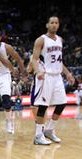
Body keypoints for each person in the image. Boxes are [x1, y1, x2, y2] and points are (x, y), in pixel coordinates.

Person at [29, 16, 75, 146]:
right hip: (46, 76)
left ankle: (49, 130)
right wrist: (38, 71)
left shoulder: (60, 40)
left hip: (57, 76)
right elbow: (34, 58)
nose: (54, 25)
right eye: (52, 23)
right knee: (43, 106)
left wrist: (68, 74)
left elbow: (60, 61)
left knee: (62, 104)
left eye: (56, 23)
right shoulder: (41, 40)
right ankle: (38, 135)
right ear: (47, 25)